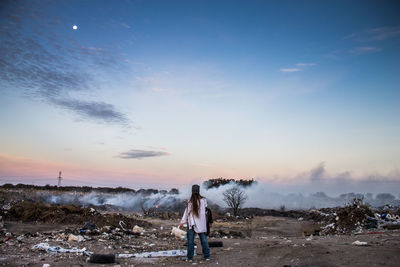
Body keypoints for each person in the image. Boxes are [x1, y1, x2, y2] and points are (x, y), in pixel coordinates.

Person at [179, 184, 210, 261]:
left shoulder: (190, 202)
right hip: (201, 224)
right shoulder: (204, 200)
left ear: (192, 191)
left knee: (190, 241)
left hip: (192, 224)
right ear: (199, 191)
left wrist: (182, 222)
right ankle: (207, 257)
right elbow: (206, 210)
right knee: (203, 240)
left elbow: (186, 213)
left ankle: (190, 258)